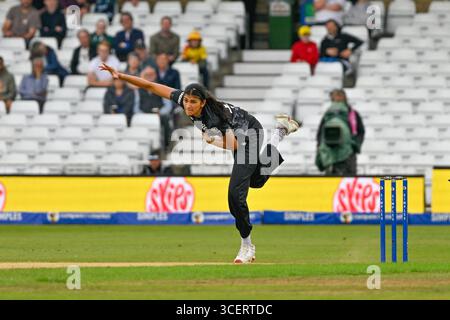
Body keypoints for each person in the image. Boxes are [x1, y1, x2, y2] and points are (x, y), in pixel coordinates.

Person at [99, 63, 301, 264]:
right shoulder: (186, 100)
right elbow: (151, 86)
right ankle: (280, 132)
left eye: (193, 102)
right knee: (256, 182)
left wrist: (211, 139)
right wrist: (121, 76)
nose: (187, 105)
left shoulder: (215, 118)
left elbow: (235, 145)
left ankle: (247, 246)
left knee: (235, 195)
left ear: (202, 103)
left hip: (250, 135)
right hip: (240, 135)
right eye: (186, 100)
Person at [315, 89, 365, 176]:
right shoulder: (352, 113)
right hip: (347, 154)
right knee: (347, 183)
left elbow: (320, 134)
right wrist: (355, 145)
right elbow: (361, 131)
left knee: (332, 184)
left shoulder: (329, 114)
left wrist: (321, 148)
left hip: (330, 155)